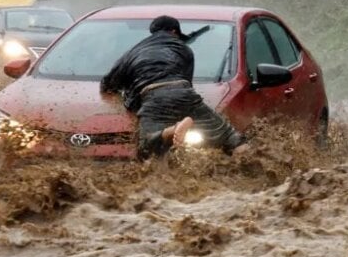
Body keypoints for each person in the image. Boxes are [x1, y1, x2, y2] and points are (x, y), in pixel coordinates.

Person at [100, 15, 248, 159]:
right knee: (230, 136)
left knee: (146, 148)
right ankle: (252, 165)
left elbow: (107, 84)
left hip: (153, 97)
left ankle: (172, 130)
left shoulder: (133, 53)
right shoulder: (184, 49)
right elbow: (187, 83)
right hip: (184, 92)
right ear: (174, 32)